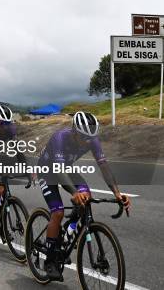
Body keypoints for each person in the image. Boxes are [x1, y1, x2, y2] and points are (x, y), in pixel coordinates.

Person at [37, 111, 130, 281]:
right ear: (74, 132)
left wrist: (117, 193)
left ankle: (66, 235)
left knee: (86, 196)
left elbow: (104, 167)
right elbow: (58, 171)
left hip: (66, 169)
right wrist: (74, 193)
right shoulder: (60, 138)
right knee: (57, 213)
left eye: (91, 138)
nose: (88, 142)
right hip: (47, 171)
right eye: (84, 138)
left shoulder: (91, 139)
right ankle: (50, 260)